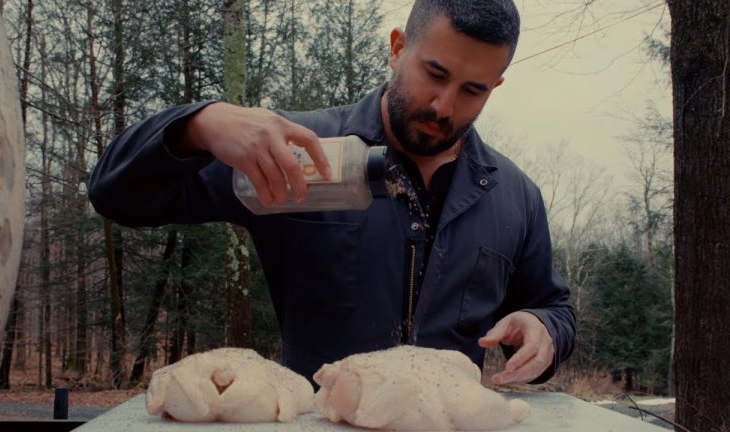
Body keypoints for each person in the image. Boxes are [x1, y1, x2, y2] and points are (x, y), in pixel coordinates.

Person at [89, 0, 575, 386]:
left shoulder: (516, 196)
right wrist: (198, 125)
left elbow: (552, 306)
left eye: (474, 89)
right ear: (398, 46)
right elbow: (116, 195)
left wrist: (545, 330)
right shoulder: (295, 149)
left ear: (497, 85)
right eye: (435, 73)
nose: (444, 106)